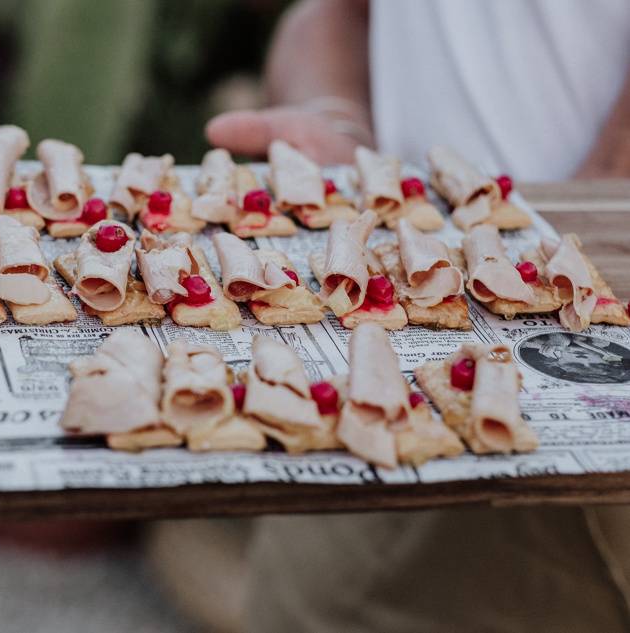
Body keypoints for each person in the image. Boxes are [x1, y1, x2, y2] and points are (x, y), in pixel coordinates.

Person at [148, 2, 630, 631]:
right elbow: (332, 15)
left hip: (584, 390)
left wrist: (595, 221)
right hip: (383, 379)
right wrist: (337, 123)